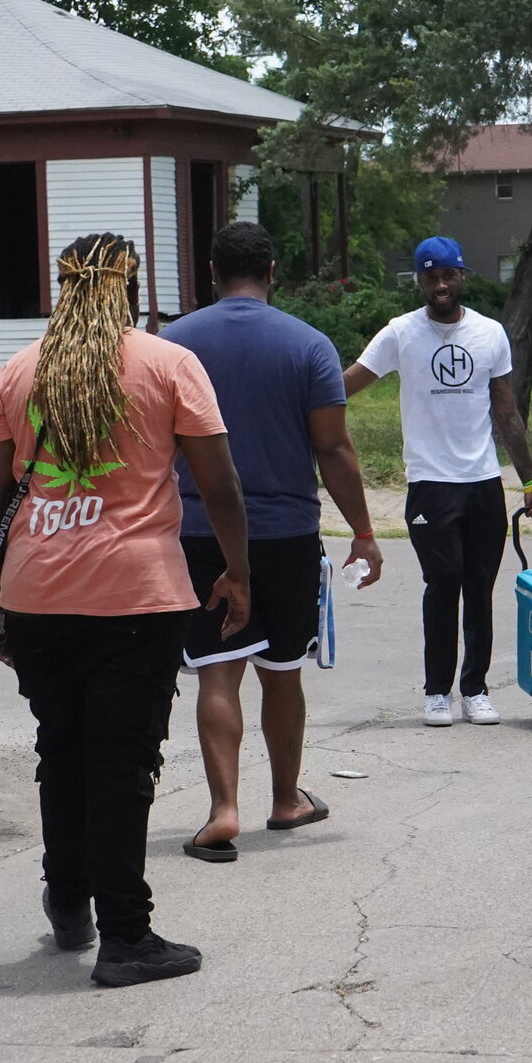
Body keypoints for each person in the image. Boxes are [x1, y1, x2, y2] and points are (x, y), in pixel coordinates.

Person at [0, 232, 253, 987]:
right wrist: (237, 570)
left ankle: (69, 901)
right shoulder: (167, 364)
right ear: (129, 287)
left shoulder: (20, 368)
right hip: (136, 594)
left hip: (36, 591)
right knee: (123, 762)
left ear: (62, 287)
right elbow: (219, 484)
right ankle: (127, 935)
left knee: (60, 749)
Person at [161, 222, 385, 860]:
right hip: (286, 533)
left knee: (216, 672)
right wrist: (364, 532)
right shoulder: (310, 346)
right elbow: (333, 447)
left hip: (200, 530)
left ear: (211, 270)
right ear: (273, 270)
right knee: (282, 672)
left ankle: (223, 808)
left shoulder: (171, 345)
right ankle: (286, 799)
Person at [342, 236, 532, 726]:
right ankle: (437, 691)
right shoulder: (400, 333)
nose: (440, 285)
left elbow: (506, 410)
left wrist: (531, 480)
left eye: (449, 275)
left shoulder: (489, 333)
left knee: (479, 585)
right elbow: (345, 383)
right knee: (444, 582)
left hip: (481, 481)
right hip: (431, 483)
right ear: (419, 280)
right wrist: (300, 401)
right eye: (431, 276)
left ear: (462, 276)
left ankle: (475, 690)